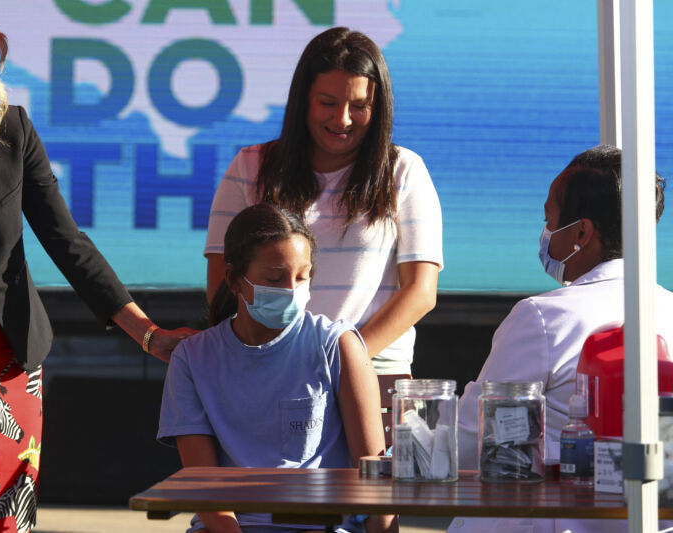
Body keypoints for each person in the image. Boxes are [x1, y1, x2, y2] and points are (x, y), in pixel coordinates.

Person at [0, 3, 194, 532]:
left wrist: (149, 334)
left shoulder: (13, 131)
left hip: (14, 372)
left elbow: (66, 241)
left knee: (9, 523)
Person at [449, 145, 673, 533]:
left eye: (549, 220)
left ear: (582, 233)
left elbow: (472, 436)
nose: (545, 235)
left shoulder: (543, 317)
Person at [204, 27, 443, 376]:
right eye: (328, 103)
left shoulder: (403, 171)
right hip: (268, 371)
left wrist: (346, 361)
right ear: (303, 100)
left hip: (374, 372)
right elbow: (221, 288)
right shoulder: (250, 167)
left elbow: (421, 291)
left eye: (359, 105)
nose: (342, 119)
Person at [159, 203, 396, 533]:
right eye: (274, 278)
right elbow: (205, 484)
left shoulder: (337, 345)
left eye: (302, 277)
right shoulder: (192, 358)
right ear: (233, 280)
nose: (291, 290)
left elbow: (374, 476)